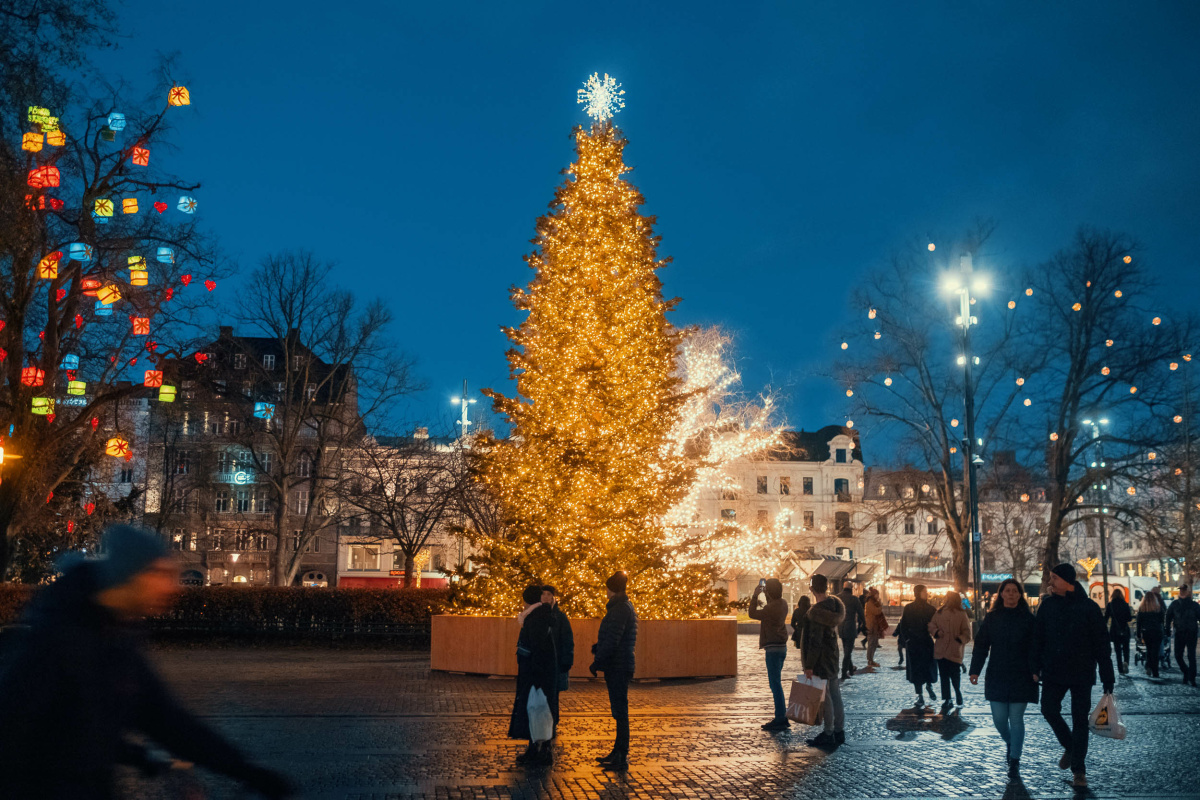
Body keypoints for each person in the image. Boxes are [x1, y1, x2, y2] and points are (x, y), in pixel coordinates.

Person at [0, 524, 294, 800]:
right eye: (160, 573)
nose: (171, 587)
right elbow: (15, 733)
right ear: (131, 575)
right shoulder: (55, 638)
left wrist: (242, 769)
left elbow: (162, 717)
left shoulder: (115, 635)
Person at [1033, 563, 1115, 790]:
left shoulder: (1088, 607)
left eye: (1054, 578)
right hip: (1053, 670)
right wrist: (1035, 667)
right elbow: (1037, 639)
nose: (1050, 582)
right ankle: (1070, 746)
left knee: (1080, 720)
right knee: (1048, 708)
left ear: (1068, 581)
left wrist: (1108, 676)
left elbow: (1101, 644)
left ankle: (1079, 770)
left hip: (1081, 671)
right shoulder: (1047, 606)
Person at [969, 578, 1038, 779]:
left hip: (1021, 674)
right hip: (997, 673)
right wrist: (975, 670)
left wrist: (1036, 670)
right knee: (999, 720)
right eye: (1007, 591)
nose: (1011, 594)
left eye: (1015, 591)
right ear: (1001, 594)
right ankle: (1010, 742)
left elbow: (1036, 648)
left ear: (1019, 595)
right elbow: (981, 646)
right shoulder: (992, 618)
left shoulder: (1028, 619)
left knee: (1016, 719)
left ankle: (1015, 760)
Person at [590, 571, 637, 770]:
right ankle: (618, 751)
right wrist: (598, 647)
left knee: (620, 711)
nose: (605, 592)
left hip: (618, 665)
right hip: (620, 663)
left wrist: (597, 660)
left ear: (612, 589)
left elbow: (613, 640)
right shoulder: (623, 607)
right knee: (619, 710)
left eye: (607, 588)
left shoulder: (619, 609)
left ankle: (621, 754)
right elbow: (613, 637)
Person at [510, 585, 559, 766]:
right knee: (536, 711)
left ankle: (542, 751)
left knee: (539, 710)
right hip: (538, 673)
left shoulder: (536, 617)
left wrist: (534, 673)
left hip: (537, 674)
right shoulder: (536, 616)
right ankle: (535, 748)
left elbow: (537, 647)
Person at [800, 574, 846, 748]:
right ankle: (839, 730)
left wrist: (809, 665)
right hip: (832, 656)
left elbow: (815, 642)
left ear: (812, 589)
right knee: (835, 694)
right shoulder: (833, 606)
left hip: (821, 660)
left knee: (826, 697)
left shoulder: (817, 612)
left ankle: (828, 733)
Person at [748, 578, 790, 730]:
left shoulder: (771, 608)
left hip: (772, 649)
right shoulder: (783, 603)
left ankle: (781, 717)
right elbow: (765, 607)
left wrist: (755, 595)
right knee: (776, 682)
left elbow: (752, 613)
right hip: (781, 647)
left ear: (769, 591)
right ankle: (781, 716)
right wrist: (763, 594)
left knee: (775, 684)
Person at [929, 590, 972, 713]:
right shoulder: (940, 612)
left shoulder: (961, 614)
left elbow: (967, 633)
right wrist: (936, 632)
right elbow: (931, 625)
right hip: (941, 650)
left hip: (954, 650)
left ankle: (957, 692)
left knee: (954, 675)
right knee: (944, 676)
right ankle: (947, 698)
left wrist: (960, 639)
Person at [899, 585, 938, 706]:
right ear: (918, 593)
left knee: (918, 669)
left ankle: (923, 692)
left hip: (916, 643)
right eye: (925, 591)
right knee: (925, 667)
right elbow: (904, 625)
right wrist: (907, 639)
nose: (927, 593)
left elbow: (903, 625)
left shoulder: (911, 608)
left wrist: (907, 639)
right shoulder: (929, 608)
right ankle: (924, 689)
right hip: (922, 642)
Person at [542, 586, 575, 707]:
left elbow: (567, 640)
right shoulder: (535, 616)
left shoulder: (560, 617)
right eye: (543, 594)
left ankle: (552, 722)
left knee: (552, 698)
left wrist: (566, 661)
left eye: (549, 594)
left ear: (553, 598)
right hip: (540, 664)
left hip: (555, 663)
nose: (545, 597)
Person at [1165, 583, 1199, 686]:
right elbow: (1168, 616)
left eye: (1184, 590)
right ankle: (1186, 672)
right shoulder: (1175, 604)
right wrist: (1167, 628)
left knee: (1191, 656)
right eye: (1181, 590)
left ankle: (1191, 678)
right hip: (1179, 632)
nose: (1182, 591)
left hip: (1191, 633)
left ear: (1188, 592)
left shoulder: (1194, 605)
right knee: (1177, 655)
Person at [837, 582, 866, 679]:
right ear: (851, 589)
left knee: (846, 649)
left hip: (841, 627)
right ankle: (844, 673)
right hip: (850, 627)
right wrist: (864, 624)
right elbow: (861, 613)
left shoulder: (837, 598)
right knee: (848, 652)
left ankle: (850, 669)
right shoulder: (854, 599)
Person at [1136, 590, 1165, 678]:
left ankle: (1148, 666)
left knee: (1149, 649)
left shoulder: (1142, 609)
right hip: (1157, 631)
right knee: (1155, 651)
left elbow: (1139, 622)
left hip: (1146, 631)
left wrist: (1138, 634)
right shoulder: (1158, 608)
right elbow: (1162, 620)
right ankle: (1155, 671)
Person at [1104, 589, 1133, 675]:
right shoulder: (1125, 604)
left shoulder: (1110, 605)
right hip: (1124, 629)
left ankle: (1120, 669)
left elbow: (1105, 618)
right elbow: (1129, 618)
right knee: (1126, 649)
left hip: (1115, 630)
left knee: (1118, 651)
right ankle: (1126, 662)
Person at [863, 587, 888, 668]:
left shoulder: (874, 602)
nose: (878, 596)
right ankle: (870, 660)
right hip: (871, 626)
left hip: (874, 625)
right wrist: (880, 607)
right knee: (871, 643)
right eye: (877, 594)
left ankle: (871, 659)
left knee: (874, 643)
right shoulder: (870, 602)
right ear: (874, 595)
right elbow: (876, 611)